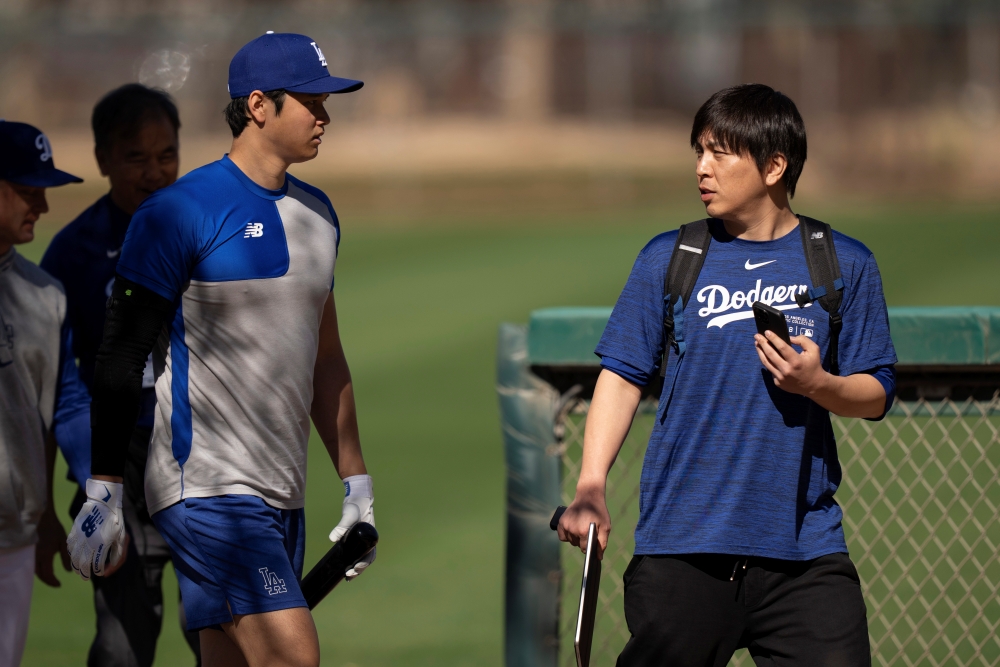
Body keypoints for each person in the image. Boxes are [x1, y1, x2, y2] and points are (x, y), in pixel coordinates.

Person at [557, 84, 897, 666]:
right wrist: (591, 486)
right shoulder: (670, 258)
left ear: (774, 166)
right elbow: (622, 373)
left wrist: (819, 384)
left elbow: (877, 392)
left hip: (804, 555)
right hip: (683, 550)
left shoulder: (844, 263)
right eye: (699, 151)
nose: (702, 168)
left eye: (720, 152)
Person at [66, 32, 373, 667]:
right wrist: (104, 487)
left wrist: (356, 480)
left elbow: (327, 358)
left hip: (283, 494)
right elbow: (120, 356)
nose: (325, 117)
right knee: (292, 657)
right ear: (258, 105)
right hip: (206, 490)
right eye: (312, 102)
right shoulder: (177, 212)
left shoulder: (320, 215)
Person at [40, 83, 202, 667]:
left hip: (200, 456)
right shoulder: (72, 253)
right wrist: (83, 486)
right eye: (136, 157)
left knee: (222, 632)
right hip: (116, 460)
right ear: (103, 158)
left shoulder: (207, 232)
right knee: (120, 644)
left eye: (166, 155)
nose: (154, 172)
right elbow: (58, 387)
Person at [0, 120, 86, 666]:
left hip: (13, 535)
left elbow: (65, 404)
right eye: (28, 190)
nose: (44, 206)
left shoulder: (46, 294)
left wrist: (89, 491)